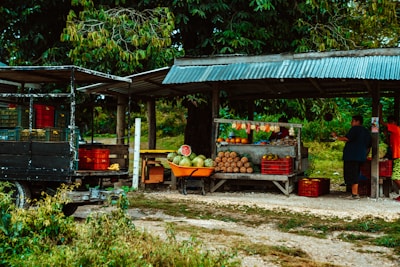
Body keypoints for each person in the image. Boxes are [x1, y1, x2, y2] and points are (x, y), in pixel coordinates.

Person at [331, 115, 372, 199]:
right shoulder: (366, 131)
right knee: (356, 173)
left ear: (357, 121)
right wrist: (365, 154)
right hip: (360, 156)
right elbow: (369, 145)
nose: (351, 123)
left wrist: (336, 137)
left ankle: (354, 194)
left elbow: (347, 138)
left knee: (352, 174)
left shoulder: (355, 129)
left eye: (352, 121)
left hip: (352, 156)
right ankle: (354, 192)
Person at [380, 115, 400, 200]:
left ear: (394, 123)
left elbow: (381, 122)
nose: (389, 125)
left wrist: (379, 110)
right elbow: (390, 145)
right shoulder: (393, 134)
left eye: (390, 123)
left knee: (395, 177)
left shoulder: (396, 129)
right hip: (396, 156)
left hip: (399, 156)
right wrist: (386, 136)